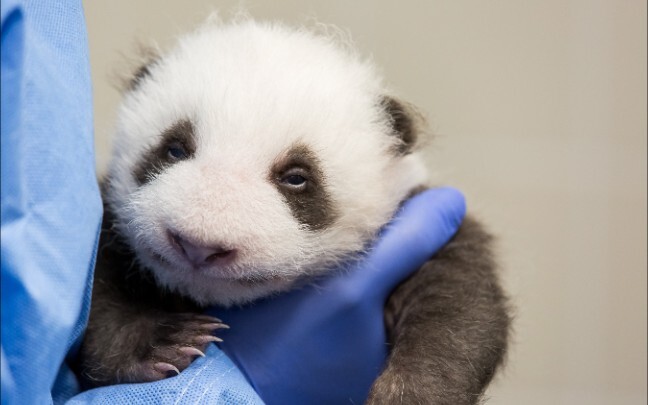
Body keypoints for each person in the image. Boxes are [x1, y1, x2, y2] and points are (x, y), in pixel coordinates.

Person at [0, 1, 466, 404]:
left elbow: (457, 328)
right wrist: (126, 342)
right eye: (177, 151)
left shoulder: (406, 219)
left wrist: (419, 381)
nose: (201, 233)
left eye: (295, 180)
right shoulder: (83, 226)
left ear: (390, 153)